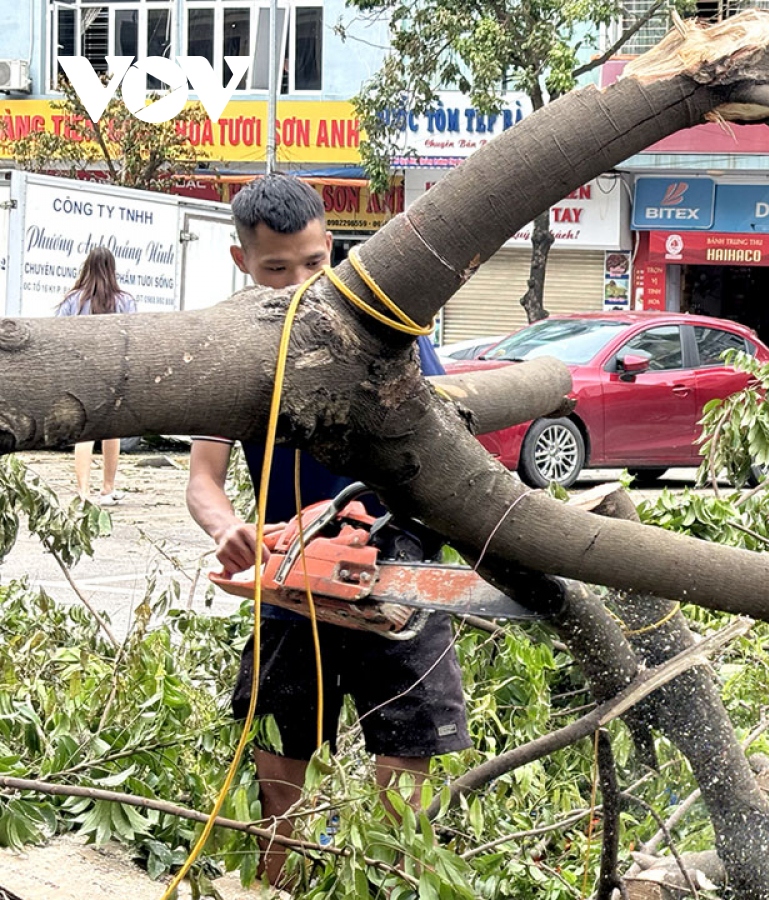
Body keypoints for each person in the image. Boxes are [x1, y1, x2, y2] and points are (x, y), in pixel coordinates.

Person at [186, 173, 466, 887]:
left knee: (408, 741)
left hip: (395, 553)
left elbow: (446, 445)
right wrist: (230, 531)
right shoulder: (232, 349)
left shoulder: (383, 325)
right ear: (240, 261)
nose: (301, 282)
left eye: (314, 264)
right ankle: (276, 879)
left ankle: (389, 880)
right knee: (281, 742)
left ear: (332, 248)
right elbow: (203, 482)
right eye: (277, 269)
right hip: (290, 564)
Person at [57, 246, 136, 505]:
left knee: (85, 432)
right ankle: (108, 488)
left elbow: (59, 334)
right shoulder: (124, 300)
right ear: (112, 270)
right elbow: (134, 337)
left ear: (86, 268)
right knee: (112, 431)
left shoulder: (73, 300)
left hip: (82, 373)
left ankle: (83, 492)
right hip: (114, 373)